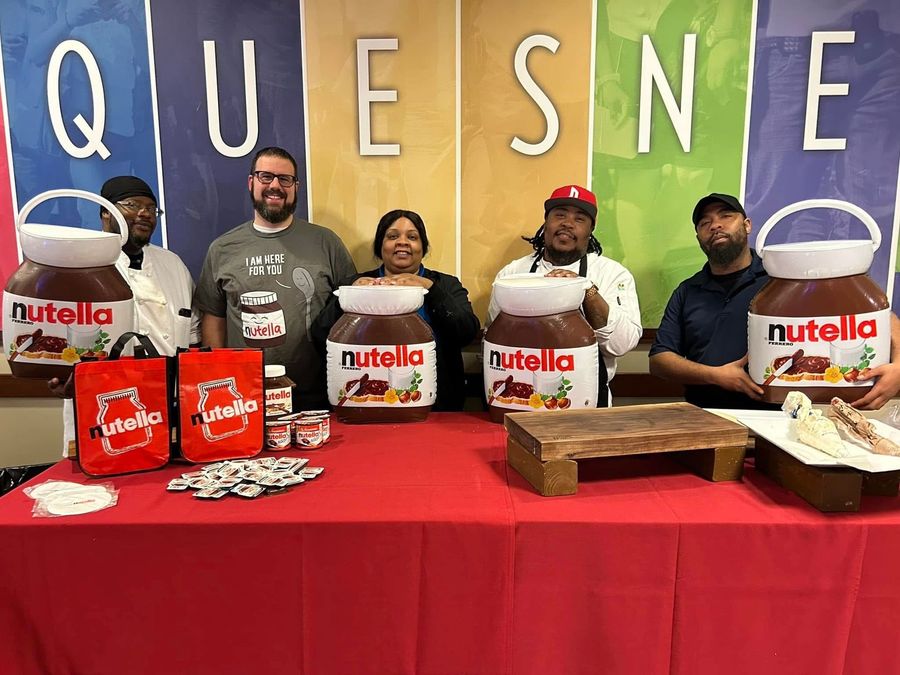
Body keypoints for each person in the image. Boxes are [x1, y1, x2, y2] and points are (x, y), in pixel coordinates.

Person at [649, 193, 900, 410]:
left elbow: (878, 317)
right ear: (699, 237)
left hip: (778, 415)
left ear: (747, 225)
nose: (715, 225)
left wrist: (899, 367)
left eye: (726, 216)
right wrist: (716, 376)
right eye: (705, 222)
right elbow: (660, 360)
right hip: (705, 414)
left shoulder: (785, 277)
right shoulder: (687, 291)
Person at [195, 146, 357, 409]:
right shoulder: (222, 249)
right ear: (251, 182)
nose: (275, 186)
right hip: (246, 395)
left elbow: (351, 313)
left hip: (318, 391)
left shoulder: (326, 242)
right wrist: (220, 378)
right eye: (266, 177)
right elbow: (214, 319)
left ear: (296, 186)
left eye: (285, 179)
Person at [49, 175, 199, 454]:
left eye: (151, 209)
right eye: (132, 205)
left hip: (166, 406)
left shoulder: (174, 265)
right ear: (105, 212)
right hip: (103, 408)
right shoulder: (81, 268)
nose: (144, 214)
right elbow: (57, 341)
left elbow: (193, 336)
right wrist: (61, 377)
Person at [487, 185, 642, 406]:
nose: (567, 223)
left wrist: (587, 290)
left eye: (579, 219)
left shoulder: (612, 274)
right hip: (518, 400)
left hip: (585, 405)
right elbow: (493, 339)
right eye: (559, 215)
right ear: (546, 223)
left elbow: (622, 344)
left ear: (590, 231)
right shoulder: (512, 274)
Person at [312, 209, 481, 411]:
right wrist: (351, 294)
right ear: (380, 246)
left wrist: (430, 288)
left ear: (423, 247)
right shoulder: (354, 284)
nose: (402, 242)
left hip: (437, 407)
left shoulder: (445, 284)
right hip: (367, 403)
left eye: (412, 237)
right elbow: (321, 336)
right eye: (392, 236)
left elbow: (466, 332)